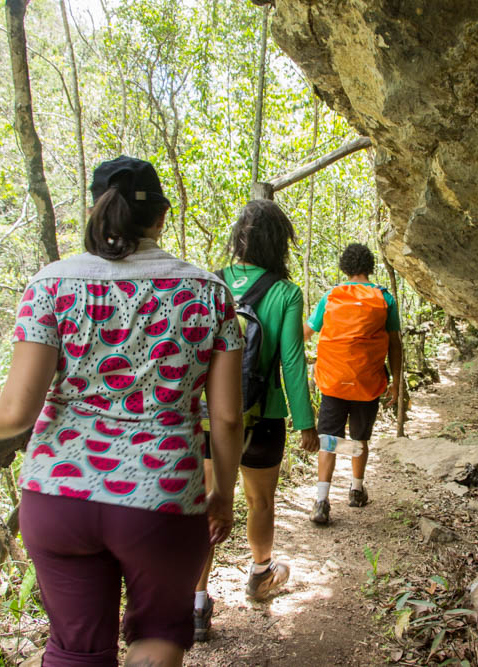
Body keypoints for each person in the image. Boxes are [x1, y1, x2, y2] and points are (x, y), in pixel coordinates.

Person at [0, 156, 244, 667]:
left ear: (95, 212)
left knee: (74, 649)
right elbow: (226, 418)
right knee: (159, 632)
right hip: (160, 494)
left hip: (58, 494)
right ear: (161, 218)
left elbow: (13, 414)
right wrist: (222, 493)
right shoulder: (209, 294)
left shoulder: (51, 286)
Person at [194, 199, 320, 640]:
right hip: (263, 415)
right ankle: (260, 574)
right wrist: (306, 422)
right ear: (280, 243)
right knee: (260, 502)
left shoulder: (210, 283)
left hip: (209, 417)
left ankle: (197, 600)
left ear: (238, 240)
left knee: (209, 501)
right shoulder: (285, 293)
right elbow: (291, 362)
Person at [303, 243, 402, 525]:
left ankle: (321, 500)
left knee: (329, 440)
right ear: (369, 267)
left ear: (345, 268)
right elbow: (395, 344)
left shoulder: (331, 296)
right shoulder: (385, 298)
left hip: (333, 382)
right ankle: (356, 491)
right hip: (367, 383)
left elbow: (307, 333)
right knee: (360, 437)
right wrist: (396, 382)